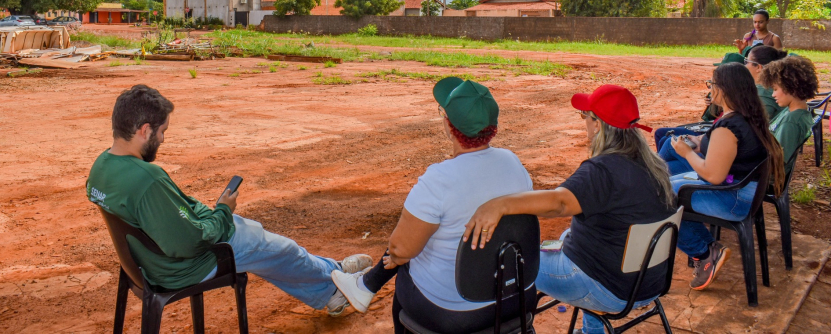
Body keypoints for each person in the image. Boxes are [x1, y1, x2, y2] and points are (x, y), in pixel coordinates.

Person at [86, 84, 371, 315]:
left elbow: (173, 215)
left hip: (147, 262)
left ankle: (331, 285)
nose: (163, 139)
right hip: (183, 267)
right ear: (145, 130)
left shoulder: (101, 166)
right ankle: (335, 277)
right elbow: (188, 242)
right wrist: (221, 212)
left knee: (265, 248)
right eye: (162, 132)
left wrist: (213, 216)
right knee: (281, 250)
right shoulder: (147, 179)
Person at [463, 85, 676, 334]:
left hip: (610, 289)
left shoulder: (601, 171)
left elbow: (560, 202)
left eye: (585, 115)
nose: (584, 122)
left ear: (597, 124)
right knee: (567, 238)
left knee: (515, 265)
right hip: (649, 282)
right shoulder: (653, 164)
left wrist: (501, 204)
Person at [329, 77, 535, 333]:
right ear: (493, 126)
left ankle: (365, 288)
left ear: (449, 126)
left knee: (408, 263)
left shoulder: (438, 179)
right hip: (517, 299)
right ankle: (364, 286)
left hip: (457, 314)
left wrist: (398, 254)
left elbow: (401, 249)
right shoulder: (512, 163)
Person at [668, 63, 786, 290]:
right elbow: (726, 151)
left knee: (661, 199)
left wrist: (687, 153)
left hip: (733, 199)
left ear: (724, 89)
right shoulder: (748, 117)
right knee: (662, 187)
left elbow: (713, 175)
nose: (710, 89)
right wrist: (699, 143)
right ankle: (708, 249)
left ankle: (704, 253)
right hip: (742, 192)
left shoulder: (728, 127)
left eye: (712, 84)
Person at [652, 52, 745, 153]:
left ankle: (656, 168)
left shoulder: (730, 121)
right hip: (707, 137)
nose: (711, 88)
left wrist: (688, 153)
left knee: (668, 143)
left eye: (714, 85)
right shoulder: (732, 108)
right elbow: (710, 117)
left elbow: (712, 167)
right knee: (662, 137)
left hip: (708, 146)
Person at [761, 56, 820, 172]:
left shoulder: (791, 122)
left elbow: (776, 163)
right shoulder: (792, 111)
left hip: (763, 180)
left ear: (791, 86)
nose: (773, 95)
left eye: (775, 89)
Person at [745, 45, 789, 120]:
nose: (745, 65)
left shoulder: (763, 91)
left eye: (747, 61)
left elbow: (757, 124)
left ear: (758, 67)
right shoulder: (776, 85)